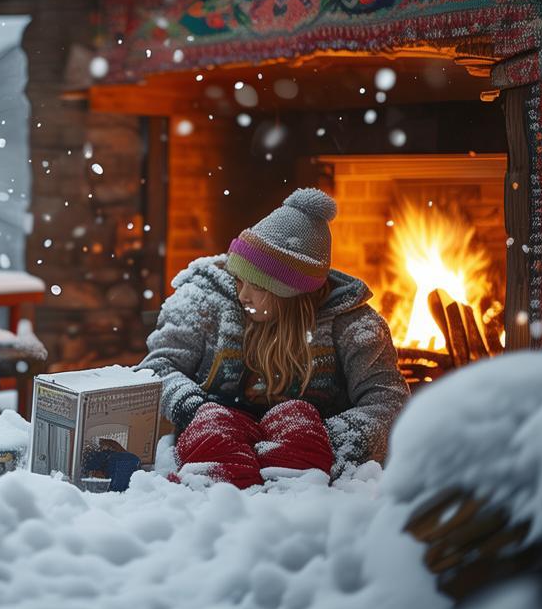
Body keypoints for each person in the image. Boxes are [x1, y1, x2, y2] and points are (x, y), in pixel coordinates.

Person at [137, 188, 409, 487]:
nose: (243, 294)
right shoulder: (204, 301)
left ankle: (287, 506)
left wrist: (332, 437)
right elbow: (156, 369)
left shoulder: (354, 325)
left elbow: (388, 399)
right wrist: (193, 408)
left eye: (259, 287)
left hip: (303, 446)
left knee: (298, 420)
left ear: (294, 294)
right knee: (214, 429)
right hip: (218, 430)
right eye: (239, 279)